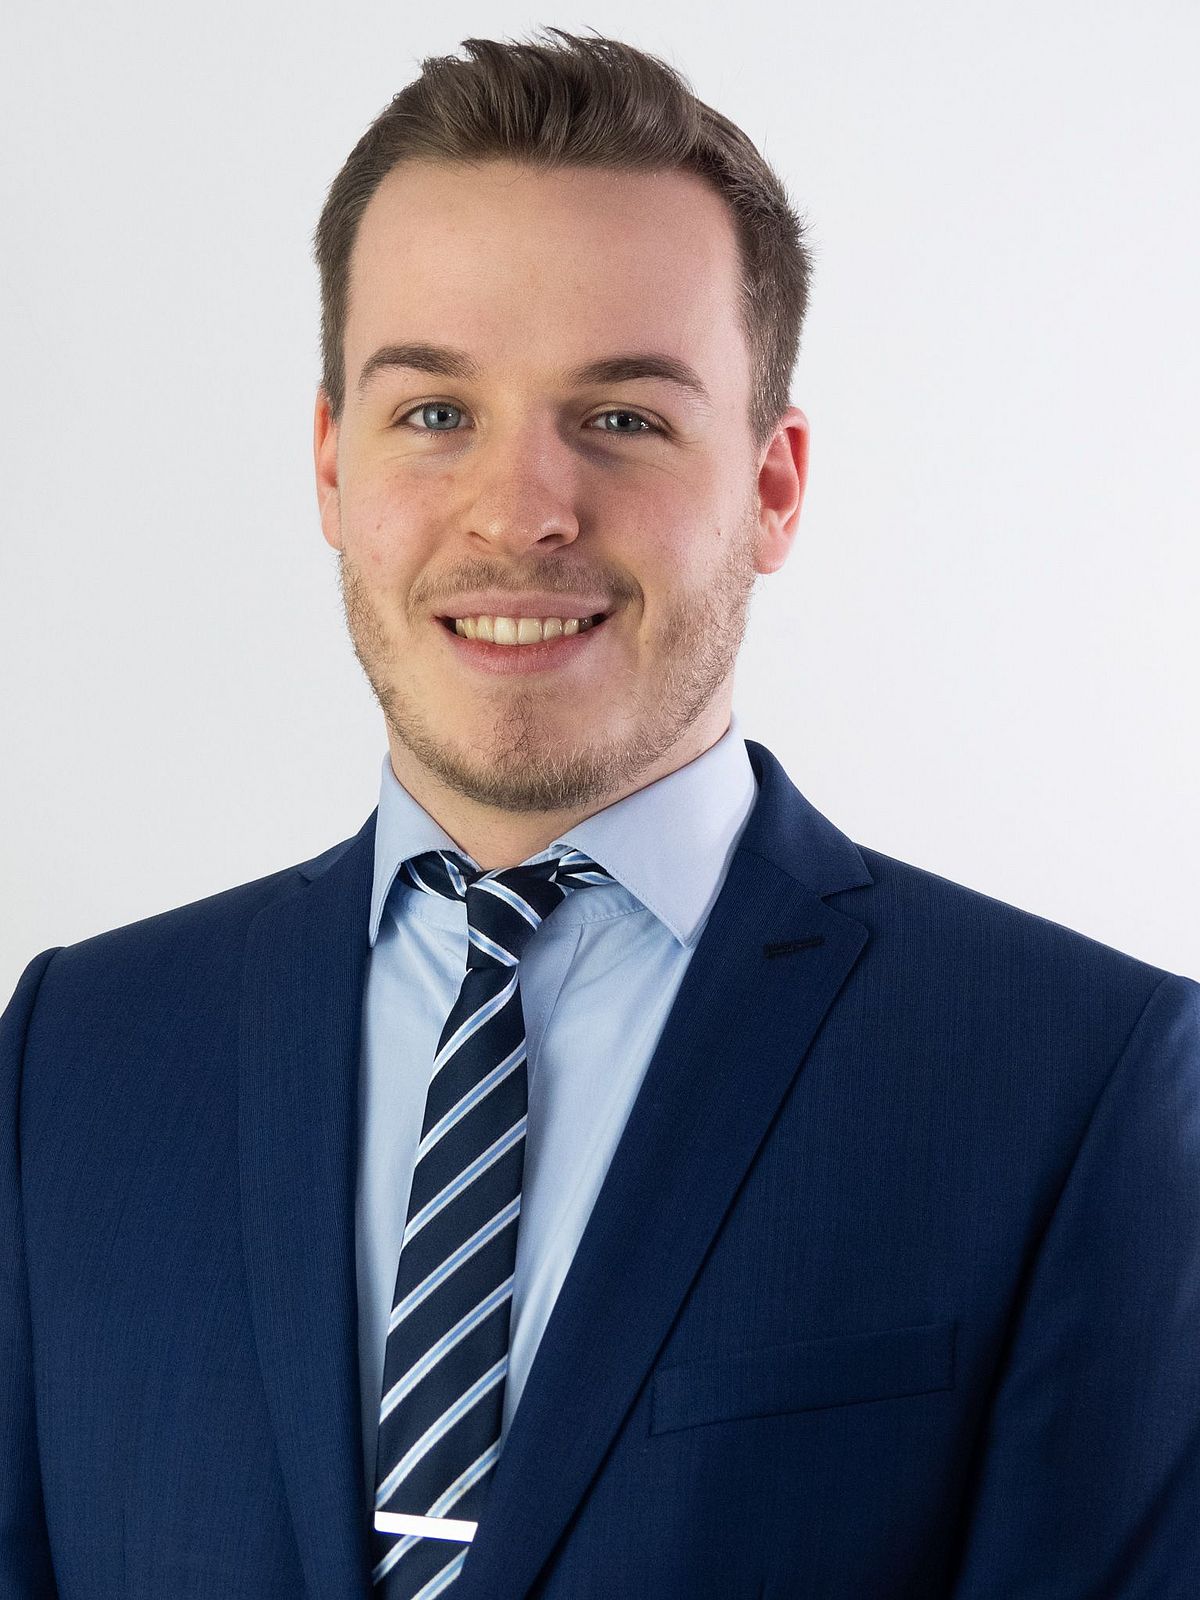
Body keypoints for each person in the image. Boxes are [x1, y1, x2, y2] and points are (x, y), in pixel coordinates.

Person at [2, 26, 1197, 1600]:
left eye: (623, 418)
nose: (521, 513)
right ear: (330, 466)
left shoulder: (1083, 1083)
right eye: (435, 413)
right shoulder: (75, 1057)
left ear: (773, 486)